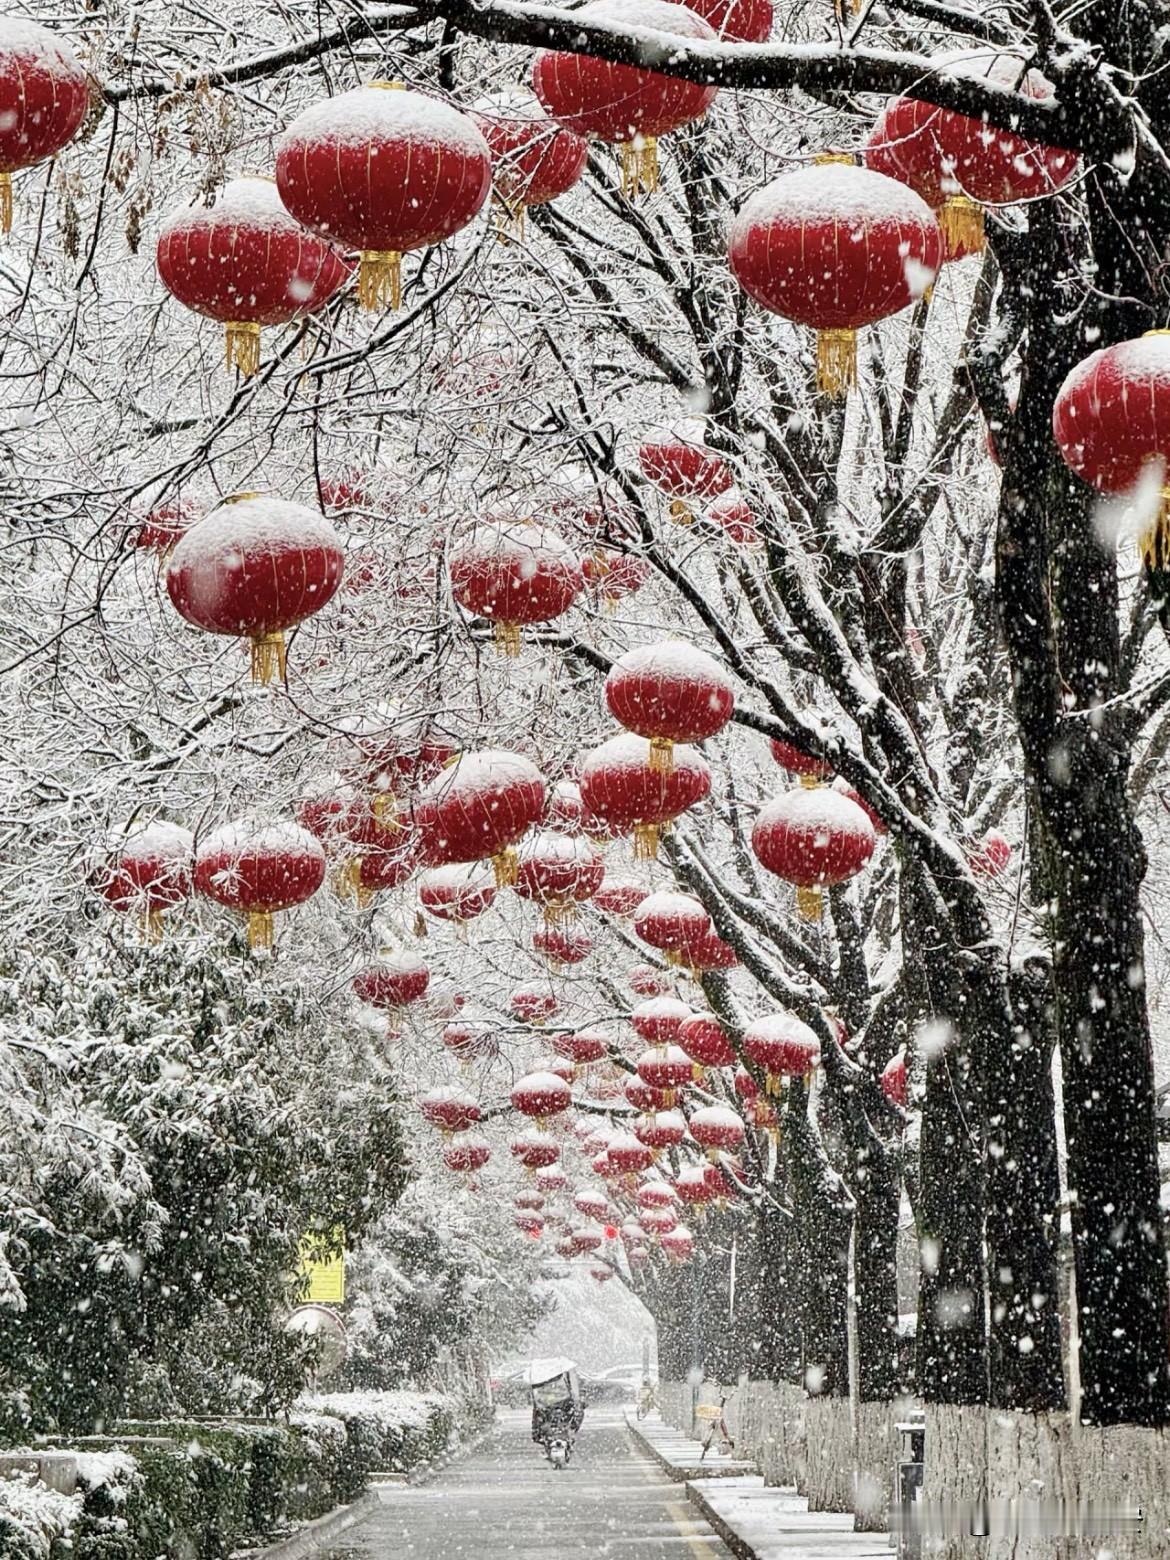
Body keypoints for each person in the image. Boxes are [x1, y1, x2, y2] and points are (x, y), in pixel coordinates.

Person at [529, 1362, 585, 1452]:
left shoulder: (562, 1385)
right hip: (549, 1409)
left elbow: (576, 1407)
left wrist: (577, 1403)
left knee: (572, 1419)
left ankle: (567, 1437)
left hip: (561, 1408)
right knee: (541, 1423)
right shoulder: (542, 1386)